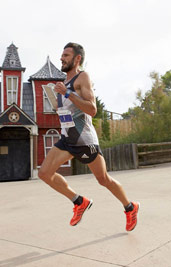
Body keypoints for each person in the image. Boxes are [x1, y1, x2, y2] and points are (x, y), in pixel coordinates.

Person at [38, 42, 139, 231]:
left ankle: (130, 207)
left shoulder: (82, 77)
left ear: (77, 59)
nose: (62, 58)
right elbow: (69, 109)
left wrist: (67, 93)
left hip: (84, 140)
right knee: (44, 173)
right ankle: (78, 202)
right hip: (67, 138)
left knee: (103, 180)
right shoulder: (64, 84)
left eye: (66, 55)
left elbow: (92, 109)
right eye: (62, 55)